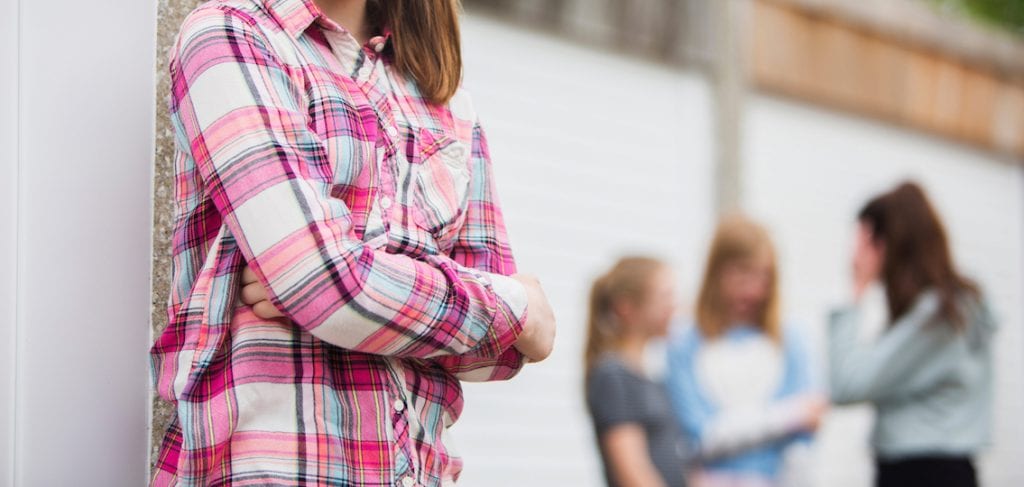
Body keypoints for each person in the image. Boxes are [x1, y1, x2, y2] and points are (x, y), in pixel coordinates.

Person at [149, 0, 556, 484]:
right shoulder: (234, 34)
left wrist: (356, 274)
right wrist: (516, 306)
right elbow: (324, 284)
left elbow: (493, 355)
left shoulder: (445, 100)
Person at [828, 181, 996, 487]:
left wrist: (854, 291)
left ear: (888, 243)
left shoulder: (938, 316)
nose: (857, 254)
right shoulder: (949, 309)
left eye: (867, 242)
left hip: (922, 472)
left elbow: (847, 383)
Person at [666, 215, 825, 487]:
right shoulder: (685, 342)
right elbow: (699, 438)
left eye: (763, 276)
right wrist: (788, 415)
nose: (753, 290)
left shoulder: (791, 339)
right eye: (741, 273)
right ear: (716, 271)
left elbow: (805, 435)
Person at [585, 257, 688, 487]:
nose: (674, 307)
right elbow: (632, 473)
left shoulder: (653, 377)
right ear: (626, 308)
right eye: (665, 296)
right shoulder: (612, 375)